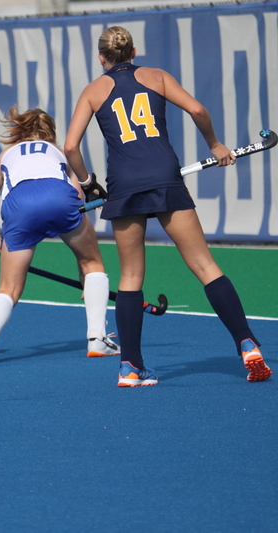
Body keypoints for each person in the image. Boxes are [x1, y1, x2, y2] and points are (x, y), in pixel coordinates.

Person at [63, 25, 271, 386]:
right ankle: (247, 343)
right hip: (165, 177)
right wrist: (215, 145)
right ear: (133, 51)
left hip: (124, 185)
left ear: (101, 57)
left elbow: (69, 148)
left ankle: (130, 366)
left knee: (130, 277)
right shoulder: (156, 76)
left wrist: (87, 185)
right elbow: (198, 109)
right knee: (205, 265)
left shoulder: (93, 91)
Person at [0, 106, 118, 365]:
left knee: (9, 289)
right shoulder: (58, 152)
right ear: (50, 133)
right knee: (93, 264)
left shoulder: (5, 155)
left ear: (19, 132)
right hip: (59, 197)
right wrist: (85, 273)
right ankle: (97, 340)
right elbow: (79, 199)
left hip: (19, 207)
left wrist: (2, 247)